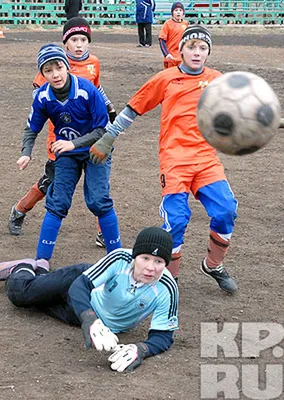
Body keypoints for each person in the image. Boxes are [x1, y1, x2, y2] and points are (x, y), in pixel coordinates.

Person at [89, 26, 238, 294]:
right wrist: (108, 137)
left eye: (202, 48)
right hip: (175, 160)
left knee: (226, 210)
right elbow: (133, 108)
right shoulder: (165, 78)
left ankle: (213, 264)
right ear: (180, 50)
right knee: (177, 219)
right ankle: (171, 280)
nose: (196, 52)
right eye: (191, 47)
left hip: (206, 159)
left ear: (208, 53)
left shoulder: (218, 79)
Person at [0, 227, 179, 373]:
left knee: (35, 304)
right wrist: (90, 319)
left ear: (166, 263)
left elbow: (163, 336)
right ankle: (23, 267)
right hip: (79, 287)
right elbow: (80, 286)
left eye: (159, 262)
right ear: (134, 256)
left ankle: (41, 272)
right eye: (145, 258)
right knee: (19, 295)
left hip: (76, 315)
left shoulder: (167, 288)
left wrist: (142, 349)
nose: (150, 268)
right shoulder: (120, 259)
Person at [8, 17, 117, 250]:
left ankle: (103, 233)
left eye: (83, 40)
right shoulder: (51, 66)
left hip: (89, 134)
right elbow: (39, 106)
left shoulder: (93, 63)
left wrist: (109, 106)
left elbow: (97, 88)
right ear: (65, 43)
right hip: (60, 138)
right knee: (51, 182)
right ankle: (20, 209)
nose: (79, 44)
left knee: (98, 192)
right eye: (74, 39)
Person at [158, 2, 189, 69]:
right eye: (176, 10)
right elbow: (161, 40)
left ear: (183, 12)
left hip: (182, 58)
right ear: (172, 13)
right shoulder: (167, 24)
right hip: (171, 58)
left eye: (180, 10)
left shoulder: (186, 24)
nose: (178, 12)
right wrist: (166, 54)